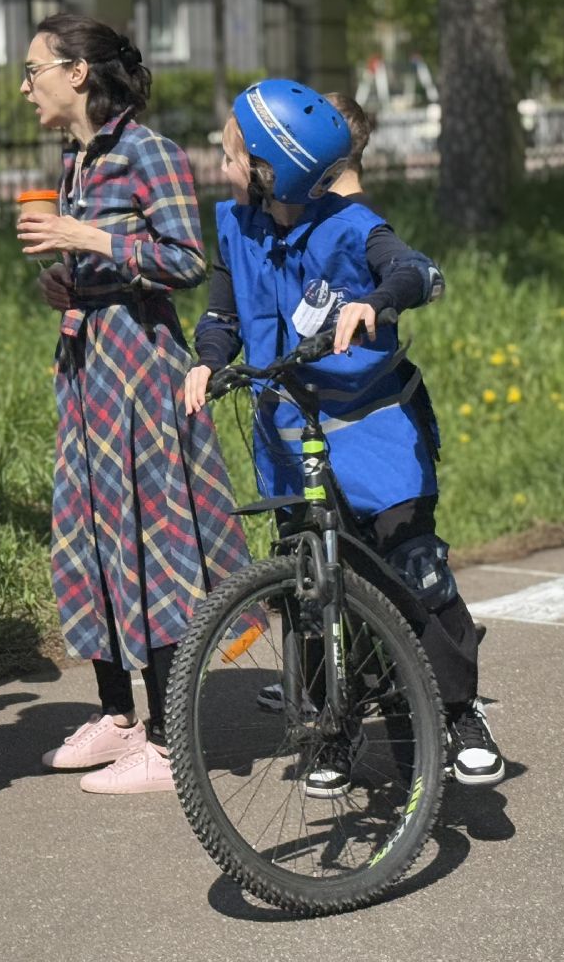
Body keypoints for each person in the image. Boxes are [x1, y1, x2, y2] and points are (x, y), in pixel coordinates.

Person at [184, 79, 505, 789]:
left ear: (270, 170)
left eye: (232, 149)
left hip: (372, 427)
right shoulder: (235, 225)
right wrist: (207, 362)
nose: (221, 155)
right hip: (289, 436)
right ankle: (328, 726)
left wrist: (373, 301)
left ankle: (458, 711)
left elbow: (415, 271)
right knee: (309, 585)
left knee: (415, 567)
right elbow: (222, 311)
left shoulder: (351, 224)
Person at [18, 13, 251, 795]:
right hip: (88, 371)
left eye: (35, 70)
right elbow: (113, 263)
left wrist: (90, 243)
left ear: (78, 72)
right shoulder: (76, 157)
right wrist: (69, 281)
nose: (26, 87)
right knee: (89, 536)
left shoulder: (150, 153)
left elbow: (186, 261)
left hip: (142, 377)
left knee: (148, 545)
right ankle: (118, 716)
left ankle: (168, 738)